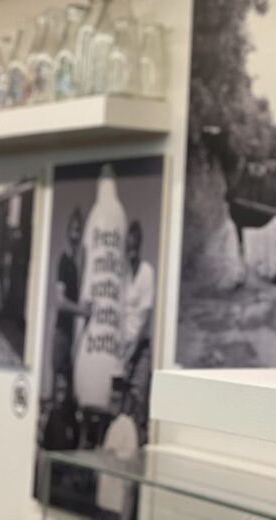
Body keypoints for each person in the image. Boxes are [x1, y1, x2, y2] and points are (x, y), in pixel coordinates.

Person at [73, 164, 128, 413]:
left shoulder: (96, 214)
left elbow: (85, 258)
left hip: (96, 321)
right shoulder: (119, 214)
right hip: (107, 321)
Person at [122, 220, 154, 432]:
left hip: (140, 349)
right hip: (122, 349)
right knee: (121, 408)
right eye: (129, 247)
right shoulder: (122, 275)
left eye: (135, 246)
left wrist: (131, 353)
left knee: (138, 404)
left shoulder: (146, 272)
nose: (131, 251)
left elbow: (145, 317)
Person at [52, 208, 89, 389]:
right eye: (73, 229)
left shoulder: (76, 266)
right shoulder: (64, 261)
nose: (75, 235)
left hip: (71, 336)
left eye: (78, 230)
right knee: (60, 389)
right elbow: (60, 302)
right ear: (67, 231)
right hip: (62, 335)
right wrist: (83, 311)